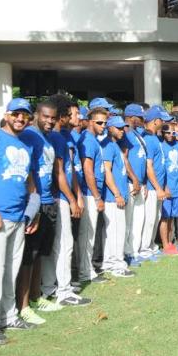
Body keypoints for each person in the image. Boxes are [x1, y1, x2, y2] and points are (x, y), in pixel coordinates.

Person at [0, 98, 41, 345]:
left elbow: (29, 181)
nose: (20, 118)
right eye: (16, 114)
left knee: (11, 270)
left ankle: (9, 315)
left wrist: (31, 213)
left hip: (18, 216)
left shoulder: (26, 144)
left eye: (25, 115)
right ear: (7, 115)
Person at [17, 101, 61, 325]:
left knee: (40, 254)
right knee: (28, 256)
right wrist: (31, 204)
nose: (50, 121)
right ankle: (23, 306)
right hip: (35, 204)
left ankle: (36, 297)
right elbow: (25, 171)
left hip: (48, 202)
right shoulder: (28, 135)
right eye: (46, 116)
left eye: (53, 118)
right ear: (36, 115)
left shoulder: (47, 138)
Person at [45, 96, 89, 307]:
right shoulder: (56, 137)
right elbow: (59, 172)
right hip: (59, 196)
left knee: (59, 244)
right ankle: (62, 291)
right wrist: (72, 199)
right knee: (64, 244)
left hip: (64, 195)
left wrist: (76, 195)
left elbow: (70, 170)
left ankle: (53, 286)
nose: (78, 116)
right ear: (63, 115)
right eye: (74, 113)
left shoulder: (65, 136)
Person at [76, 107, 111, 286]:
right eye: (99, 122)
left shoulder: (93, 140)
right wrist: (97, 197)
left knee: (89, 234)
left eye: (105, 123)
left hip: (92, 192)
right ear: (89, 122)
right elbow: (87, 170)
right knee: (87, 235)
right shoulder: (88, 140)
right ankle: (85, 272)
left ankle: (86, 269)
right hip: (89, 193)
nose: (103, 126)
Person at [99, 115, 135, 278]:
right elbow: (106, 172)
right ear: (109, 128)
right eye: (118, 128)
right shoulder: (107, 145)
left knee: (115, 231)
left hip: (117, 196)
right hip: (112, 198)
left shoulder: (114, 145)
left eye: (123, 128)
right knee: (115, 232)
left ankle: (109, 263)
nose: (122, 130)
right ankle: (116, 265)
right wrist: (117, 194)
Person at [140, 106, 170, 257]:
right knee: (150, 219)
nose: (164, 123)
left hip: (157, 186)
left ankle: (151, 246)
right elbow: (148, 166)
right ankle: (144, 249)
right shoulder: (148, 139)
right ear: (156, 121)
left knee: (156, 218)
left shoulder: (154, 138)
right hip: (152, 188)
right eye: (162, 120)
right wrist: (158, 188)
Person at [121, 104, 149, 265]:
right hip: (130, 182)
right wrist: (134, 179)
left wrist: (143, 182)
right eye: (140, 117)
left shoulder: (136, 132)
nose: (142, 120)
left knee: (139, 219)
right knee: (128, 221)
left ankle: (135, 251)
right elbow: (124, 158)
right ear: (131, 117)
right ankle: (126, 252)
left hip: (140, 182)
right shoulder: (125, 132)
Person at [160, 124, 178, 255]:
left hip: (177, 188)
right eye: (167, 132)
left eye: (172, 133)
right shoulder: (161, 146)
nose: (170, 135)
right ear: (163, 133)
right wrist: (165, 187)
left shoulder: (177, 145)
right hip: (167, 188)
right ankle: (165, 244)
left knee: (171, 218)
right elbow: (160, 169)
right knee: (165, 217)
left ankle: (169, 242)